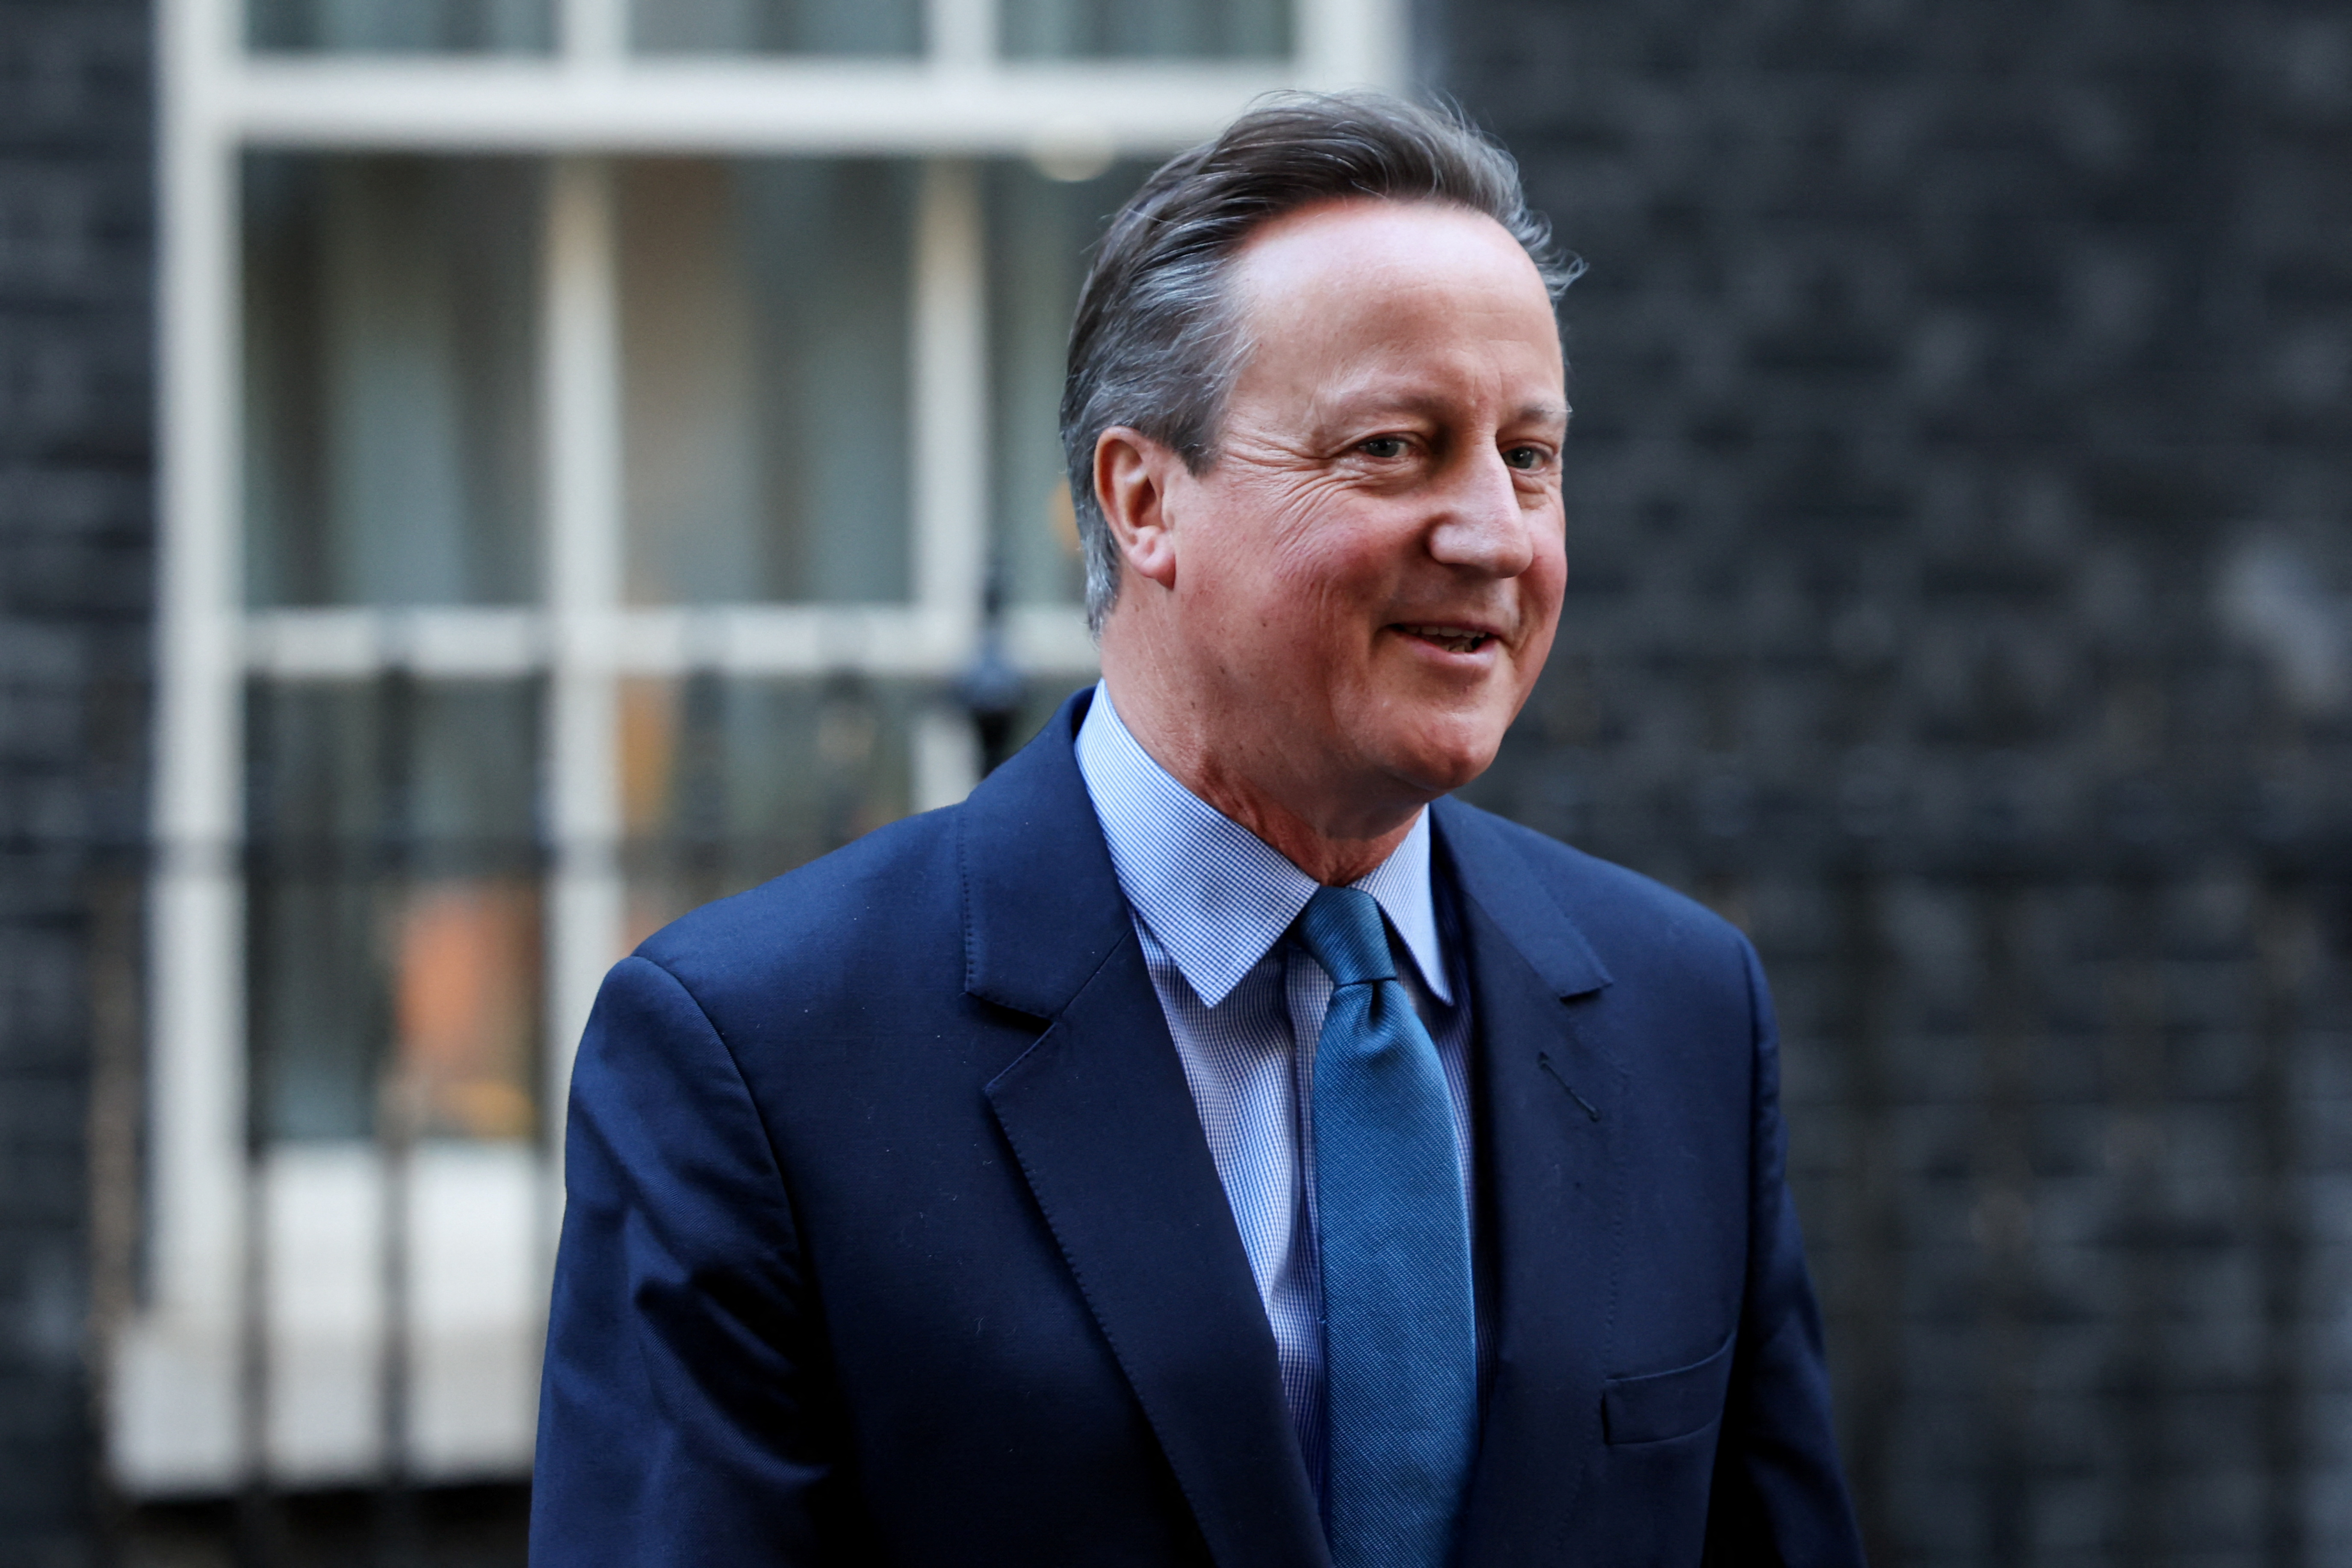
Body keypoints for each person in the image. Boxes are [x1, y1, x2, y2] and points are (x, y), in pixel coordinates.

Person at [532, 92, 1864, 1567]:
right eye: (1394, 446)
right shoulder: (754, 1054)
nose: (1496, 533)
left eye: (1530, 454)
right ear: (1144, 496)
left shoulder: (1682, 1010)